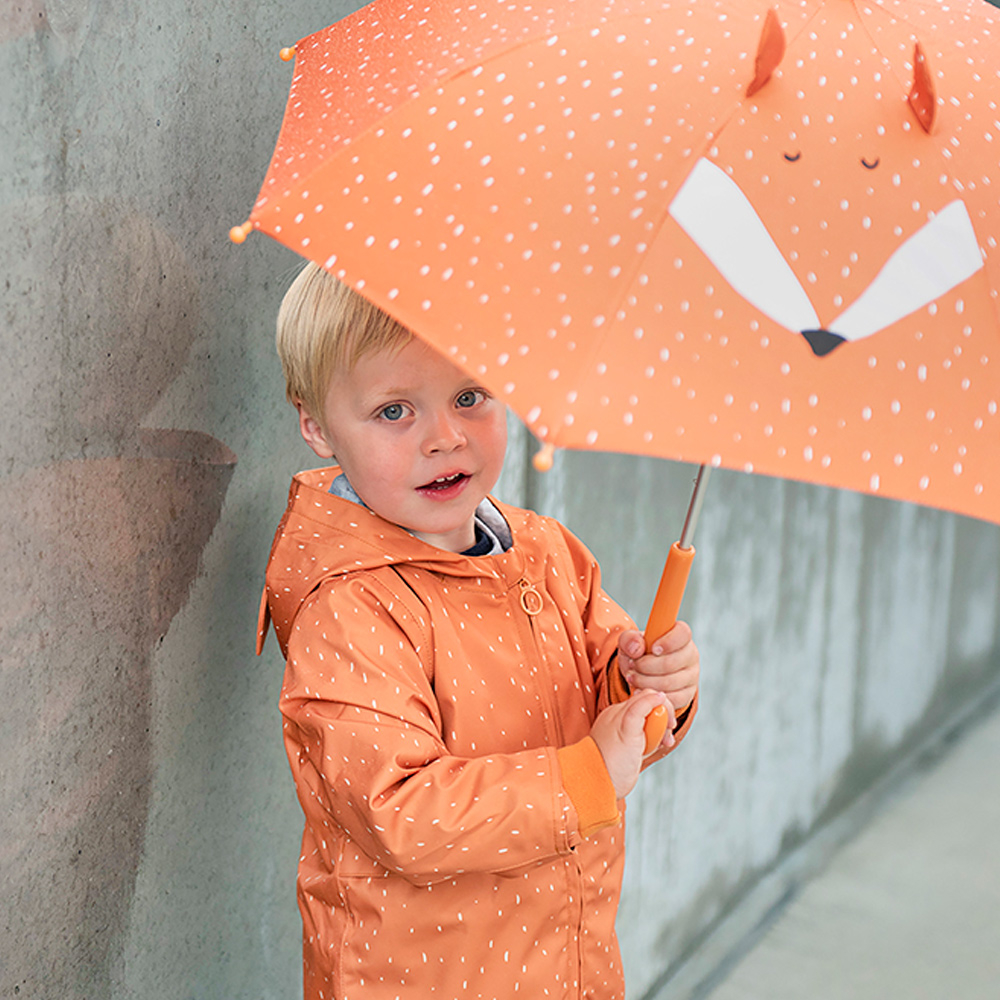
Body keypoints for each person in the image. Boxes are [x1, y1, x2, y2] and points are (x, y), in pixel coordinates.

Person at [257, 262, 700, 1000]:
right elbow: (396, 808)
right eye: (395, 411)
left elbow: (608, 698)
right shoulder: (351, 608)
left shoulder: (545, 554)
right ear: (316, 425)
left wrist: (652, 688)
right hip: (417, 977)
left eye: (470, 396)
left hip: (563, 961)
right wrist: (590, 774)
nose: (445, 437)